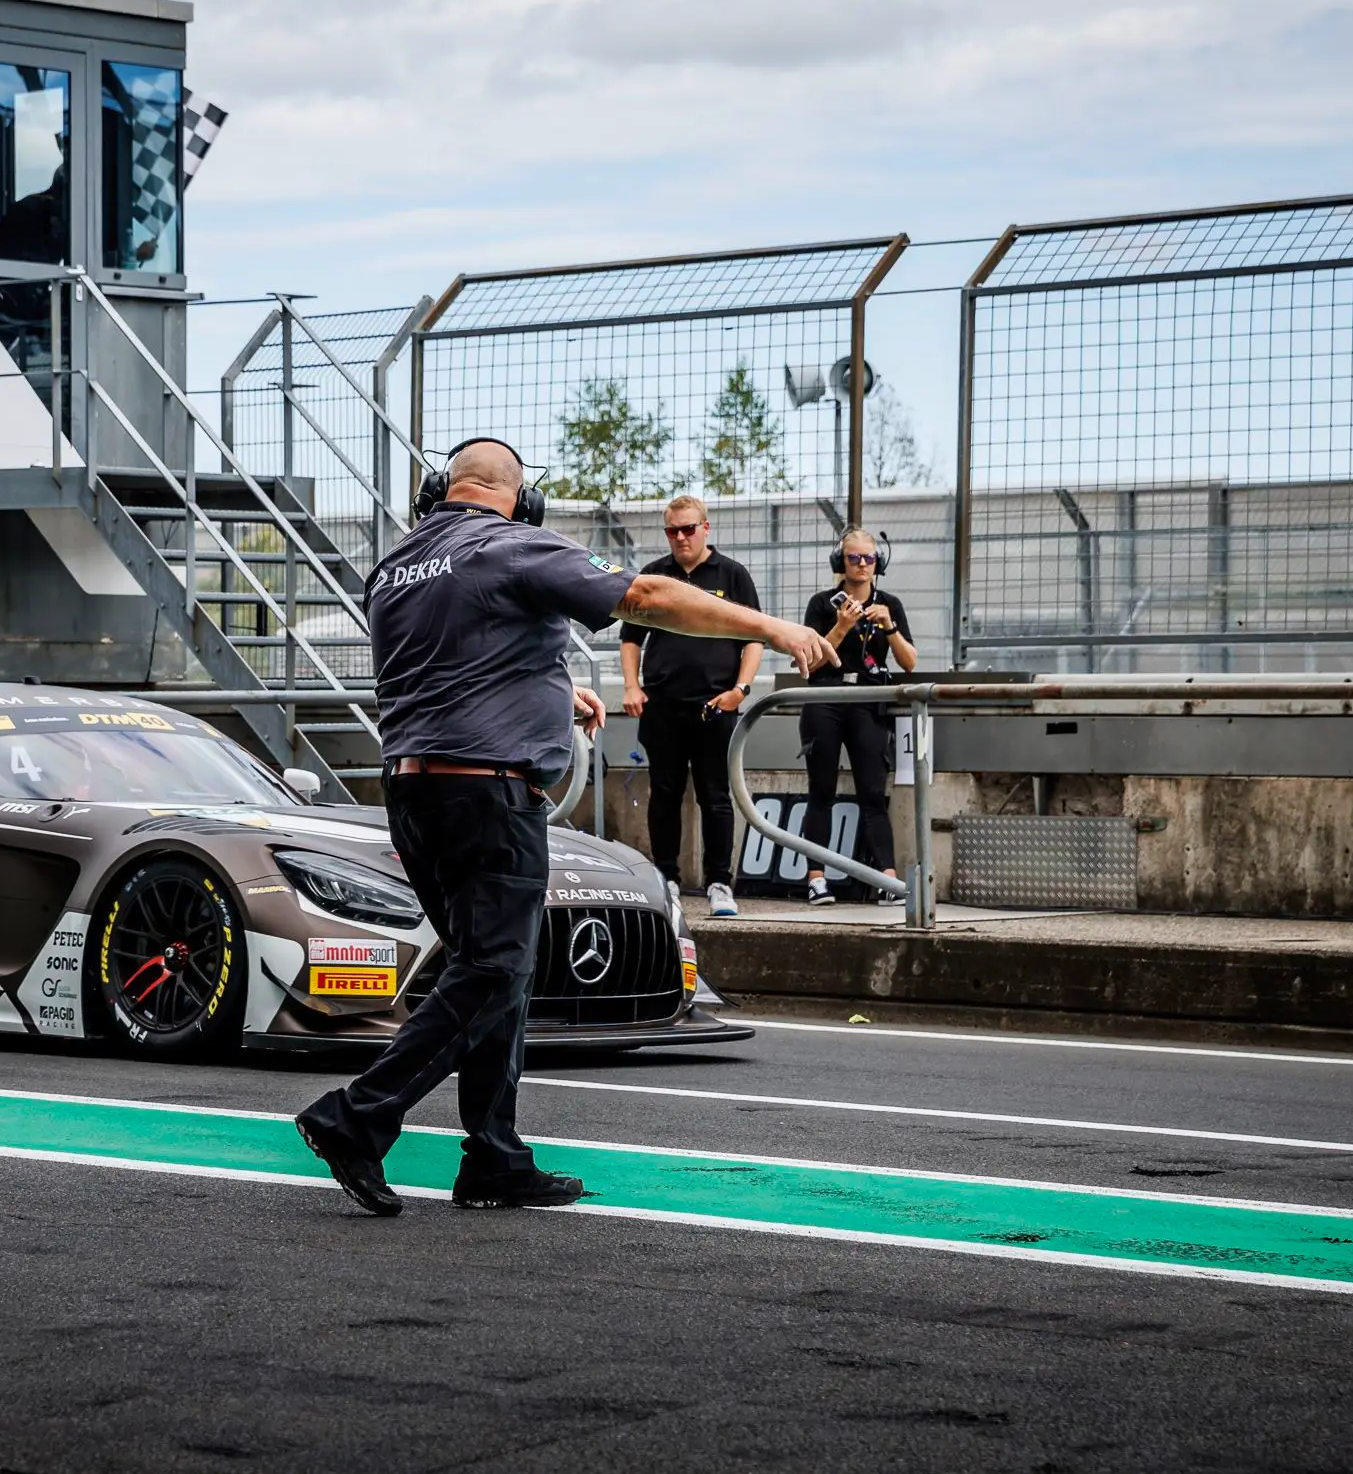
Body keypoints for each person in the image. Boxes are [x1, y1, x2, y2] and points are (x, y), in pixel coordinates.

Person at [297, 440, 836, 1217]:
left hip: (414, 792)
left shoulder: (397, 565)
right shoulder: (513, 542)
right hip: (487, 793)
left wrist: (556, 694)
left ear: (442, 489)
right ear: (521, 497)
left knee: (497, 971)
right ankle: (358, 1115)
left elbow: (459, 657)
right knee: (492, 969)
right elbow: (646, 598)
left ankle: (494, 1155)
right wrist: (774, 628)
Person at [619, 495, 763, 918]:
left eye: (688, 528)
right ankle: (666, 880)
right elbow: (630, 637)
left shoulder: (732, 575)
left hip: (717, 704)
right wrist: (631, 686)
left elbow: (754, 637)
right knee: (664, 794)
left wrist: (741, 689)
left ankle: (720, 883)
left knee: (716, 795)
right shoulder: (654, 575)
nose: (680, 537)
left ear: (706, 528)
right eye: (672, 530)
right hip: (662, 705)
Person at [799, 529, 916, 907]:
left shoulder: (890, 605)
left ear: (878, 562)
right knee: (821, 790)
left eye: (869, 558)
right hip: (826, 696)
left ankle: (887, 878)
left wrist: (890, 628)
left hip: (868, 699)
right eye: (855, 558)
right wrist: (842, 626)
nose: (863, 565)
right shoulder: (821, 604)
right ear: (841, 563)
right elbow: (810, 661)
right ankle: (816, 878)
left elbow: (909, 663)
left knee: (872, 792)